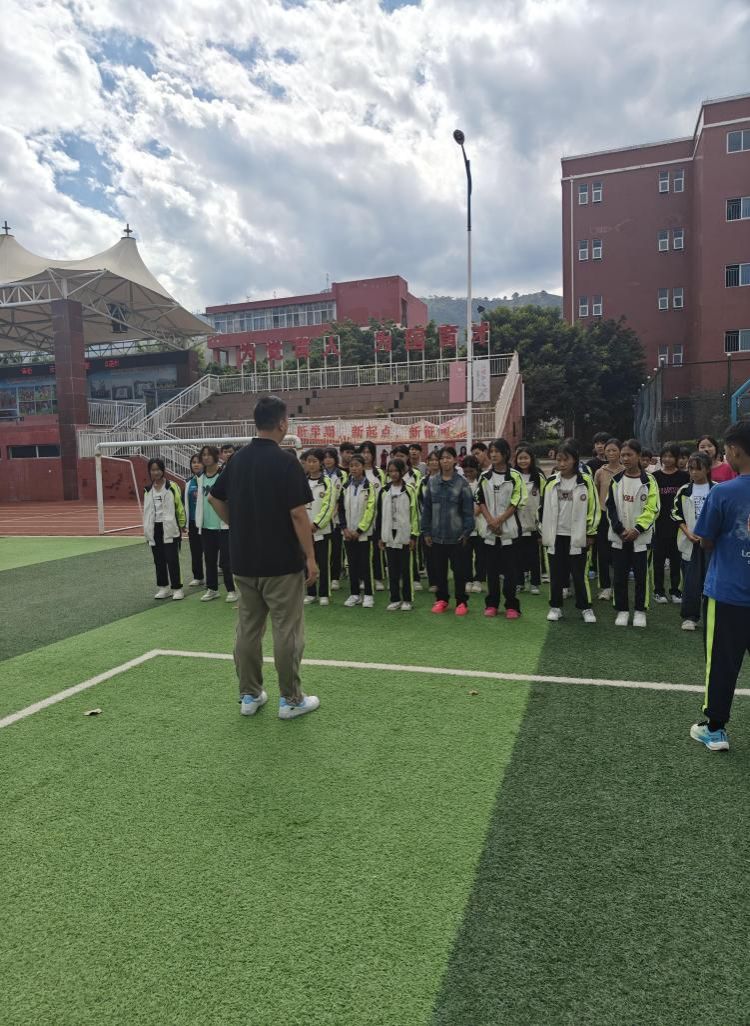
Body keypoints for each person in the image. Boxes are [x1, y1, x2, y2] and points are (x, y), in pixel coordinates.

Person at [207, 395, 320, 720]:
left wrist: (238, 525)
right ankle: (291, 699)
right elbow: (298, 514)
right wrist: (311, 558)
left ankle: (250, 694)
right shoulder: (286, 462)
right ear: (282, 423)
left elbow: (215, 498)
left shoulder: (237, 460)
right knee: (287, 631)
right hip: (281, 563)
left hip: (244, 560)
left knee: (248, 629)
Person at [689, 421, 750, 751]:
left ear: (736, 450)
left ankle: (715, 729)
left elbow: (706, 539)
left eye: (726, 450)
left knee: (721, 663)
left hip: (727, 593)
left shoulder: (723, 492)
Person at [540, 441, 600, 623]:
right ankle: (555, 607)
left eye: (566, 459)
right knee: (556, 574)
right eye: (559, 460)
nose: (562, 463)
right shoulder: (551, 482)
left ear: (575, 460)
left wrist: (590, 533)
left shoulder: (585, 481)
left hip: (578, 537)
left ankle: (585, 608)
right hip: (555, 536)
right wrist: (542, 532)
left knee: (579, 575)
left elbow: (593, 508)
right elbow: (541, 509)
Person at [606, 438, 660, 627]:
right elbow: (610, 507)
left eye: (629, 455)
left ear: (638, 456)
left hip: (641, 538)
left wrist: (638, 529)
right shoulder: (616, 480)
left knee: (641, 576)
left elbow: (653, 508)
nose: (625, 458)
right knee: (619, 575)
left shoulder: (649, 481)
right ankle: (622, 610)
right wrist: (620, 529)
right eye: (623, 455)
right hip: (619, 537)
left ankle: (639, 611)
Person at [421, 446, 475, 615]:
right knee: (439, 571)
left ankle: (461, 602)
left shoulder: (462, 483)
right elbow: (427, 509)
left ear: (455, 460)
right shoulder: (432, 482)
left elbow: (468, 511)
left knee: (459, 572)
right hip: (436, 536)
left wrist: (467, 532)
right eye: (442, 458)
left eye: (448, 457)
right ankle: (442, 599)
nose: (445, 461)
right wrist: (426, 531)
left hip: (457, 536)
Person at [477, 438, 527, 619]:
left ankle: (512, 605)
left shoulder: (515, 476)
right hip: (490, 531)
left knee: (510, 571)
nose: (493, 454)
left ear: (506, 454)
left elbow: (516, 502)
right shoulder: (484, 477)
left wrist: (499, 521)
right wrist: (491, 521)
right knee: (491, 571)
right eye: (491, 451)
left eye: (497, 451)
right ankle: (492, 604)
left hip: (510, 531)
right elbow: (480, 500)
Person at [672, 451, 714, 631]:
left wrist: (711, 535)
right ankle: (690, 617)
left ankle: (713, 616)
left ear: (707, 469)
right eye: (691, 469)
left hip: (712, 544)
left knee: (712, 580)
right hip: (690, 542)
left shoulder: (717, 489)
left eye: (698, 469)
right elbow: (676, 514)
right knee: (691, 581)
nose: (694, 472)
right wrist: (688, 533)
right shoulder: (684, 490)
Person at [197, 445, 237, 603]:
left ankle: (231, 589)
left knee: (226, 561)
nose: (206, 457)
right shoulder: (199, 477)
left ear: (215, 456)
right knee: (209, 559)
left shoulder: (224, 475)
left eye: (209, 454)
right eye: (203, 455)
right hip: (206, 526)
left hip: (223, 525)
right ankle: (212, 589)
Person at [652, 442, 689, 604]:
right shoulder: (655, 477)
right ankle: (658, 591)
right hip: (659, 525)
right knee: (658, 561)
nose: (667, 459)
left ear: (676, 458)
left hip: (678, 526)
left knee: (676, 561)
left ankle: (675, 591)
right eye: (664, 456)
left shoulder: (684, 477)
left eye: (671, 456)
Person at [379, 458, 419, 610]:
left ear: (402, 472)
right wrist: (380, 537)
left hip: (404, 535)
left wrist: (414, 536)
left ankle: (407, 599)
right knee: (392, 570)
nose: (393, 474)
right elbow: (379, 515)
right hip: (388, 535)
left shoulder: (410, 490)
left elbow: (415, 514)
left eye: (396, 471)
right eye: (390, 471)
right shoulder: (384, 491)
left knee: (406, 570)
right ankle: (394, 598)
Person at [143, 458, 185, 600]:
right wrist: (147, 530)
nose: (156, 472)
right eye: (153, 470)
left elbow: (179, 506)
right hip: (154, 529)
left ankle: (177, 588)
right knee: (159, 560)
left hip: (170, 527)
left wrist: (182, 523)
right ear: (150, 471)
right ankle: (163, 587)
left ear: (163, 470)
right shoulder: (147, 490)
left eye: (158, 469)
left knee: (172, 559)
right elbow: (147, 512)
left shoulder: (172, 486)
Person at [339, 453, 377, 608]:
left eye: (357, 465)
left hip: (364, 534)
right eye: (351, 466)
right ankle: (354, 594)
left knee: (365, 564)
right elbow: (340, 509)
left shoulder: (369, 486)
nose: (353, 468)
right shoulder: (345, 486)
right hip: (348, 533)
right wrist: (344, 528)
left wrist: (360, 529)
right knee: (352, 564)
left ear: (363, 467)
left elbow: (371, 510)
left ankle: (368, 594)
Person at [302, 448, 334, 606]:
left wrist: (316, 524)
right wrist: (303, 525)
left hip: (322, 530)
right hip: (304, 530)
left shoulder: (327, 482)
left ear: (320, 463)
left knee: (323, 562)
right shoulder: (302, 481)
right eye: (309, 461)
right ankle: (311, 592)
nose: (311, 464)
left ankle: (324, 593)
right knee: (307, 562)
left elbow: (328, 506)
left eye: (314, 461)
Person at [593, 438, 622, 600]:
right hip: (603, 517)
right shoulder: (600, 472)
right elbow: (596, 493)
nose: (610, 453)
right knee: (603, 554)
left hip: (621, 516)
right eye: (608, 450)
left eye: (614, 450)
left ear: (620, 452)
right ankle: (605, 587)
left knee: (618, 553)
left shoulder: (625, 471)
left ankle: (618, 585)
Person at [514, 445, 545, 594]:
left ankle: (535, 583)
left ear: (531, 459)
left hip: (534, 524)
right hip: (517, 523)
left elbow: (545, 499)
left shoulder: (538, 476)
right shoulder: (513, 476)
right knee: (517, 555)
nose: (523, 461)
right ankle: (519, 582)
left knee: (534, 556)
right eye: (520, 458)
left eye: (526, 458)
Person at [359, 440, 386, 591]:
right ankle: (364, 578)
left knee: (377, 550)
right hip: (360, 519)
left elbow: (384, 494)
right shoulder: (356, 472)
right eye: (363, 452)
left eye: (369, 452)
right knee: (362, 551)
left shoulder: (379, 473)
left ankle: (378, 578)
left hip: (376, 518)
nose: (366, 455)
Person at [323, 447, 347, 591]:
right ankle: (324, 576)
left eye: (330, 457)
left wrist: (336, 507)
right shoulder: (320, 474)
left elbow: (343, 494)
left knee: (337, 549)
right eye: (325, 457)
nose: (328, 460)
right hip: (322, 518)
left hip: (337, 517)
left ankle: (335, 578)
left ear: (335, 458)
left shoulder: (342, 474)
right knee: (323, 550)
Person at [461, 454, 486, 593]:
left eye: (471, 471)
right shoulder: (460, 483)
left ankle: (478, 580)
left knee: (481, 555)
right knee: (465, 555)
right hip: (465, 526)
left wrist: (477, 510)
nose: (468, 474)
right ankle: (468, 579)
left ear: (477, 469)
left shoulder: (482, 482)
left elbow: (485, 500)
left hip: (480, 524)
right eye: (466, 471)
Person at [183, 452, 205, 588]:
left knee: (209, 551)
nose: (196, 464)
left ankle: (214, 576)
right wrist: (184, 522)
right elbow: (185, 502)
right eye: (193, 462)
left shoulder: (208, 479)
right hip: (192, 522)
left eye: (199, 462)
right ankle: (198, 577)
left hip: (206, 521)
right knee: (195, 551)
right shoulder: (188, 482)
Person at [420, 451, 440, 592]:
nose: (433, 462)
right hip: (427, 522)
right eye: (431, 460)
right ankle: (433, 582)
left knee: (442, 554)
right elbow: (420, 501)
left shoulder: (446, 479)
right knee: (429, 554)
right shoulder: (423, 481)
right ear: (427, 463)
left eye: (436, 460)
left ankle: (441, 580)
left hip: (444, 523)